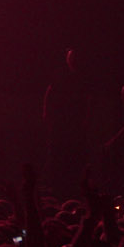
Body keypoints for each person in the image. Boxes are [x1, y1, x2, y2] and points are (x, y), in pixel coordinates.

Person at [41, 47, 88, 189]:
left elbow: (86, 99)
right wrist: (46, 112)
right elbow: (50, 91)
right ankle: (54, 180)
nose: (72, 59)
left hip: (74, 121)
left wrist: (85, 117)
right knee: (56, 150)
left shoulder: (82, 77)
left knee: (71, 151)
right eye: (70, 56)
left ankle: (70, 181)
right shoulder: (61, 74)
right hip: (60, 120)